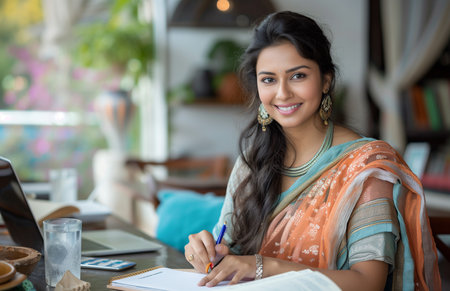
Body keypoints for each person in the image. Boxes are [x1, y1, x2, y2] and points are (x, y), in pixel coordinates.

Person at [184, 11, 441, 291]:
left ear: (326, 80)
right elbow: (227, 252)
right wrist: (205, 253)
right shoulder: (252, 161)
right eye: (268, 79)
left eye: (297, 76)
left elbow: (369, 283)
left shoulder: (365, 167)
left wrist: (263, 266)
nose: (282, 93)